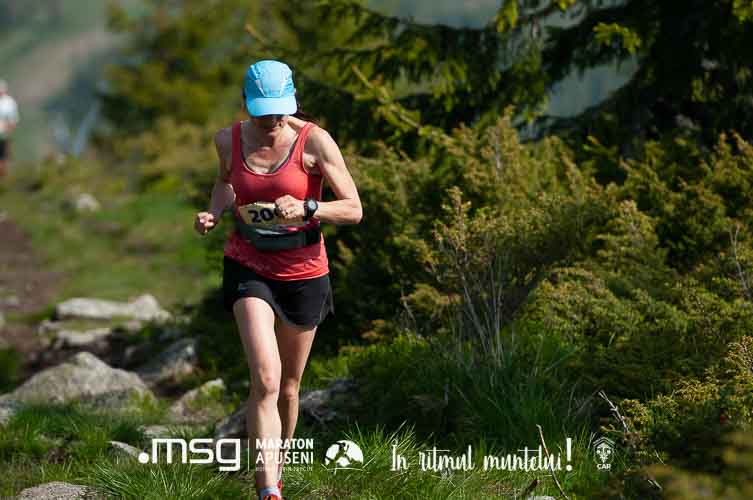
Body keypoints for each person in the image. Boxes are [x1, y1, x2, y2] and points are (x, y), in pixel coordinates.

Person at [194, 60, 362, 500]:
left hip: (304, 272)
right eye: (262, 112)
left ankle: (278, 466)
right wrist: (215, 212)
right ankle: (267, 488)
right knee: (266, 380)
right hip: (248, 265)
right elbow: (225, 183)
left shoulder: (315, 141)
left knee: (288, 388)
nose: (270, 121)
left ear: (291, 103)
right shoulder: (228, 140)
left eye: (278, 112)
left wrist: (309, 208)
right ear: (246, 104)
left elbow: (353, 209)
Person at [0, 80, 19, 178]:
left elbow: (13, 121)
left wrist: (7, 130)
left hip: (4, 134)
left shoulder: (9, 103)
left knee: (4, 159)